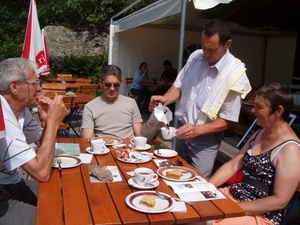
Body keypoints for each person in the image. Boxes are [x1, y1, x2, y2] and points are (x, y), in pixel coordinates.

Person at [149, 19, 252, 177]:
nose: (206, 53)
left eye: (212, 49)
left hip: (205, 140)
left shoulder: (234, 74)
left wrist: (197, 130)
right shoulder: (196, 57)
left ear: (227, 44)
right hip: (182, 131)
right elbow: (179, 85)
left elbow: (229, 119)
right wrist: (166, 98)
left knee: (195, 183)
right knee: (173, 174)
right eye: (203, 46)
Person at [208, 83, 300, 225]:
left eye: (259, 107)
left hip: (261, 214)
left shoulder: (291, 148)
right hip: (235, 197)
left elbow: (280, 201)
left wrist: (231, 209)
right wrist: (207, 187)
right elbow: (233, 165)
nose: (253, 110)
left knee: (205, 221)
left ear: (278, 111)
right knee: (191, 208)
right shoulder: (259, 133)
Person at [0, 58, 68, 224]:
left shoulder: (20, 109)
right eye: (35, 83)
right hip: (2, 195)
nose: (40, 88)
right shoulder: (3, 117)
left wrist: (46, 122)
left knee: (65, 200)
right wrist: (53, 121)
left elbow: (41, 143)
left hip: (13, 183)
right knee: (53, 219)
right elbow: (41, 173)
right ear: (14, 86)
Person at [81, 65, 142, 140]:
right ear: (101, 83)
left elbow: (139, 134)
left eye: (116, 85)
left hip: (128, 147)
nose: (112, 88)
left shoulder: (131, 103)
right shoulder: (90, 107)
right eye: (108, 84)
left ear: (120, 83)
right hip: (103, 148)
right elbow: (86, 139)